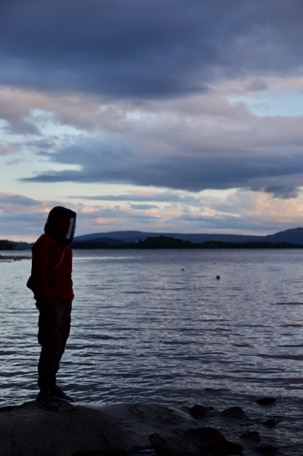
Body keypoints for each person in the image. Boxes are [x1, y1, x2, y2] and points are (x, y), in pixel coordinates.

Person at [27, 206, 77, 411]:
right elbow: (38, 276)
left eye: (70, 224)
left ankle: (52, 386)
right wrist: (47, 303)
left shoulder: (65, 246)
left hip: (65, 301)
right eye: (66, 223)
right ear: (56, 222)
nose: (69, 227)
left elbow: (65, 275)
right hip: (51, 302)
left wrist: (69, 297)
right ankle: (44, 393)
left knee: (60, 344)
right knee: (50, 345)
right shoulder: (44, 243)